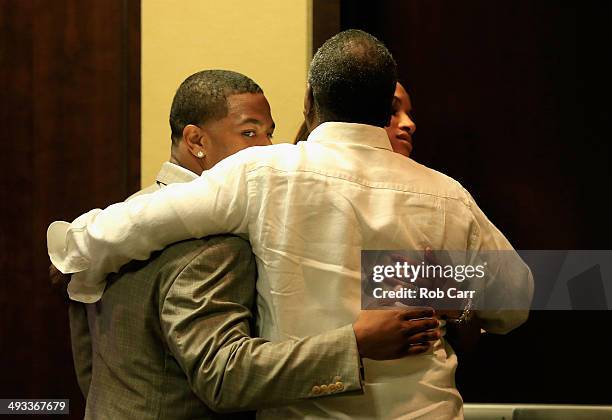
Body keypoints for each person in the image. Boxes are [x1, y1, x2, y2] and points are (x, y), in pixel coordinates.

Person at [48, 30, 533, 419]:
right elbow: (517, 301)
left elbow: (140, 222)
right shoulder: (448, 194)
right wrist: (439, 285)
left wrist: (71, 248)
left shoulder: (263, 173)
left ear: (309, 100)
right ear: (386, 103)